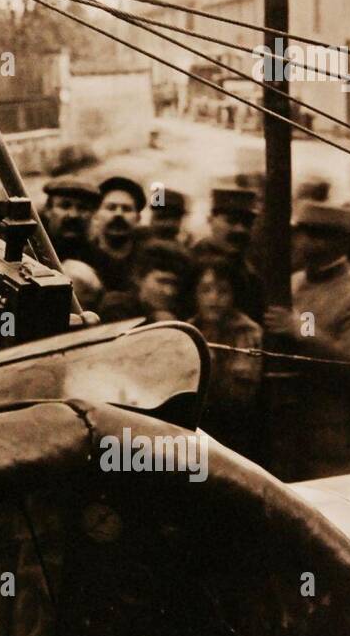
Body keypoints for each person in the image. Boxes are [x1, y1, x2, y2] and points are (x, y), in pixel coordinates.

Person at [265, 202, 350, 480]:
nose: (305, 242)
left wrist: (303, 332)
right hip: (285, 433)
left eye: (318, 235)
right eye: (302, 233)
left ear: (342, 242)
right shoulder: (294, 282)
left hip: (331, 443)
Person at [190, 257, 263, 456]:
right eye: (206, 290)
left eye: (223, 291)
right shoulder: (189, 330)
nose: (214, 298)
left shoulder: (246, 332)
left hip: (234, 432)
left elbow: (241, 396)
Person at [190, 188, 264, 320]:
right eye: (232, 221)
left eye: (247, 223)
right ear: (210, 220)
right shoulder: (188, 263)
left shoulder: (252, 274)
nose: (240, 230)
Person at [75, 176, 145, 295]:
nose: (118, 214)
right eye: (111, 207)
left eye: (126, 209)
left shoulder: (147, 259)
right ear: (96, 215)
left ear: (138, 218)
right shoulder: (81, 257)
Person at [100, 238, 194, 322]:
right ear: (139, 278)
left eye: (174, 284)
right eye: (162, 281)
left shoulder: (180, 311)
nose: (169, 291)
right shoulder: (116, 306)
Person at [40, 176, 100, 261]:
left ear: (93, 213)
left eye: (82, 208)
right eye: (65, 206)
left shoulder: (102, 261)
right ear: (48, 210)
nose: (73, 215)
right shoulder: (31, 257)